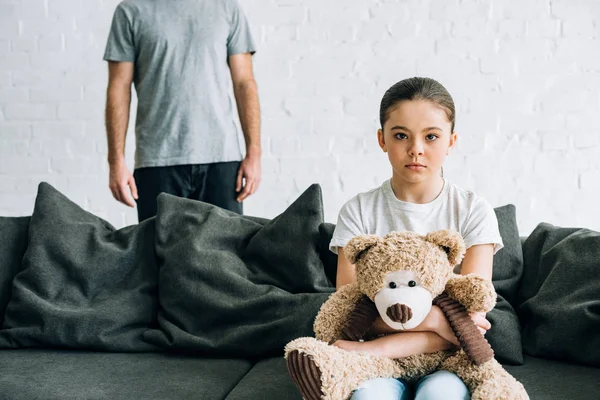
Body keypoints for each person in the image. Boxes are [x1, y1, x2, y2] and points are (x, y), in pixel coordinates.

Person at [328, 77, 504, 400]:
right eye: (400, 136)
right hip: (373, 366)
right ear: (382, 140)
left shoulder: (473, 212)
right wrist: (441, 321)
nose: (416, 149)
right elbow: (350, 315)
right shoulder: (358, 212)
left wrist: (393, 332)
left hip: (448, 364)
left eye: (431, 137)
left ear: (451, 141)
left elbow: (474, 319)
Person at [103, 0, 261, 222]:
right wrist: (115, 161)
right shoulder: (130, 11)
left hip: (222, 161)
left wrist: (254, 153)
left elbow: (244, 82)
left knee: (226, 255)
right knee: (160, 256)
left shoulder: (226, 8)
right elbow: (118, 88)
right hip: (156, 162)